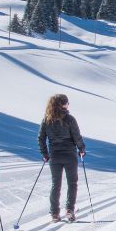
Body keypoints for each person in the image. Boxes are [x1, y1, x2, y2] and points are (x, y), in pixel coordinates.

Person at [38, 93, 86, 222]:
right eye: (67, 102)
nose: (68, 104)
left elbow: (41, 138)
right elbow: (77, 136)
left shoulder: (47, 119)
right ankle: (69, 210)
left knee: (56, 184)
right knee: (72, 183)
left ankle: (54, 213)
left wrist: (45, 154)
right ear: (63, 104)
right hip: (69, 155)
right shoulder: (70, 119)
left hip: (54, 156)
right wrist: (81, 149)